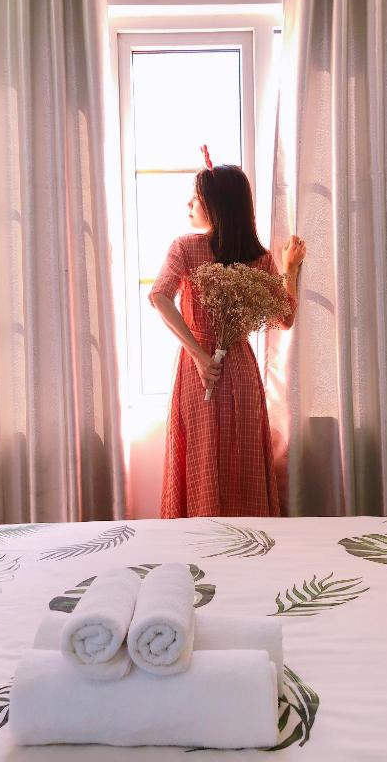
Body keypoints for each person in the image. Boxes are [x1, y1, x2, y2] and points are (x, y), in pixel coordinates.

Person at [149, 161, 306, 518]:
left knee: (202, 455)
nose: (189, 204)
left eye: (195, 198)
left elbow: (160, 296)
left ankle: (201, 539)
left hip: (200, 370)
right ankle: (248, 540)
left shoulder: (186, 247)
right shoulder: (259, 258)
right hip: (239, 367)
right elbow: (285, 317)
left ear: (215, 205)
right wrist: (289, 271)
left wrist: (199, 357)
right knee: (241, 459)